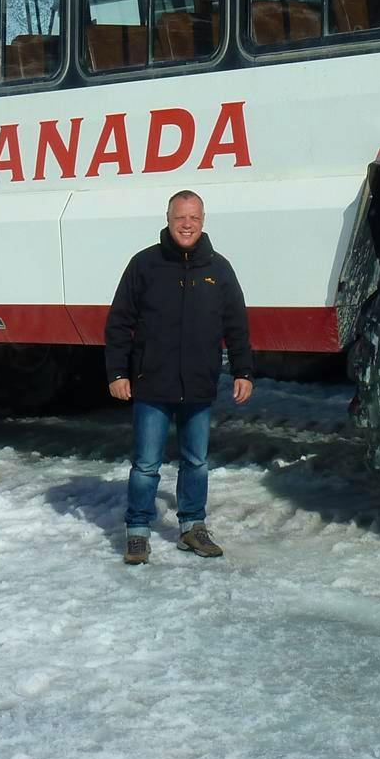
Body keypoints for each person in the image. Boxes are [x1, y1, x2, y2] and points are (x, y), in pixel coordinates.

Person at [105, 190, 254, 565]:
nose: (186, 225)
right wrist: (118, 372)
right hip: (152, 384)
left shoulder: (218, 270)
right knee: (146, 465)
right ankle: (137, 531)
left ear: (202, 221)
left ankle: (193, 527)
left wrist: (243, 370)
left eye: (194, 218)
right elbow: (120, 322)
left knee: (196, 462)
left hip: (199, 384)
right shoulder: (144, 265)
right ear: (168, 219)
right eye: (179, 218)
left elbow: (236, 325)